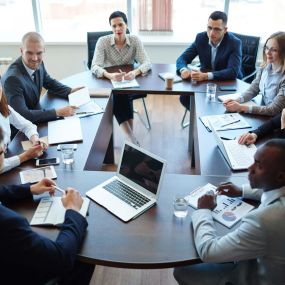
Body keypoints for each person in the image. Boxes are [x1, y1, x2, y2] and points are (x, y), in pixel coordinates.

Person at [173, 139, 285, 285]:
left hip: (255, 276)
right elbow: (274, 190)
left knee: (183, 271)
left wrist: (203, 210)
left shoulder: (263, 220)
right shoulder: (279, 184)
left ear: (280, 176)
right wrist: (242, 190)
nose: (249, 168)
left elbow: (209, 252)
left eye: (258, 166)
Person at [0, 127, 95, 285]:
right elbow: (61, 258)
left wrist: (29, 189)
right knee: (84, 257)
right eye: (1, 151)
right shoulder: (8, 224)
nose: (4, 149)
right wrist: (73, 211)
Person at [91, 11, 151, 144]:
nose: (117, 29)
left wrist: (135, 73)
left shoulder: (134, 40)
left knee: (123, 95)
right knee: (118, 95)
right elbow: (94, 66)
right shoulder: (103, 41)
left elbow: (147, 62)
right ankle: (131, 139)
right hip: (109, 82)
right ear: (111, 27)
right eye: (114, 26)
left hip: (129, 81)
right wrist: (109, 75)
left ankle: (130, 139)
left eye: (120, 25)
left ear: (126, 25)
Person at [1, 32, 83, 124]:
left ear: (44, 50)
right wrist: (58, 112)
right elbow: (22, 116)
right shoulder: (12, 79)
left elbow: (48, 81)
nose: (35, 58)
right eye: (29, 53)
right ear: (21, 51)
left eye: (39, 53)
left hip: (37, 113)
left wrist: (70, 91)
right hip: (21, 129)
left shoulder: (39, 63)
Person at [176, 11, 242, 110]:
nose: (211, 33)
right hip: (205, 84)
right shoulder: (201, 38)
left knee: (219, 106)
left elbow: (232, 72)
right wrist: (183, 70)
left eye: (216, 29)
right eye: (209, 28)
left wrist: (206, 76)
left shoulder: (234, 43)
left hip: (227, 83)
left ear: (225, 30)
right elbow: (182, 59)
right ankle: (199, 119)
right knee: (184, 98)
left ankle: (205, 118)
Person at [224, 31, 285, 116]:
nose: (267, 52)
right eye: (267, 48)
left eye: (274, 50)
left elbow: (273, 110)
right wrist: (237, 100)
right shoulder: (264, 67)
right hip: (263, 113)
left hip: (278, 121)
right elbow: (254, 88)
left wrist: (241, 107)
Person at [0, 81, 46, 174]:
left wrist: (35, 139)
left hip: (7, 157)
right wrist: (26, 156)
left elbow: (26, 125)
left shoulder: (4, 107)